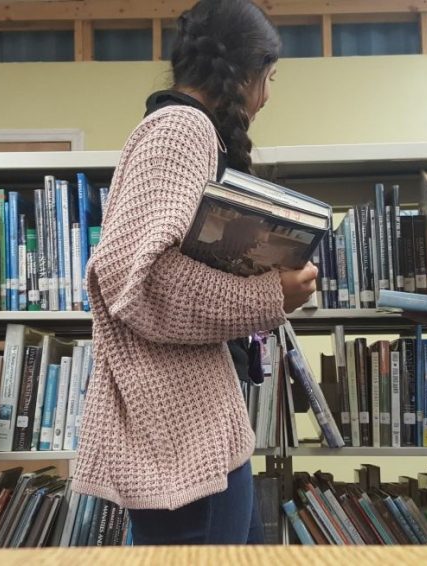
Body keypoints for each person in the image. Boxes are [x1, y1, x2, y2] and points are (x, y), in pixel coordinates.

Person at [71, 0, 317, 545]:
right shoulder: (181, 129)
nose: (269, 95)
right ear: (246, 72)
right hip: (181, 447)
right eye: (270, 77)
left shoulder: (183, 130)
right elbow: (139, 281)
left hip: (197, 438)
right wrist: (268, 295)